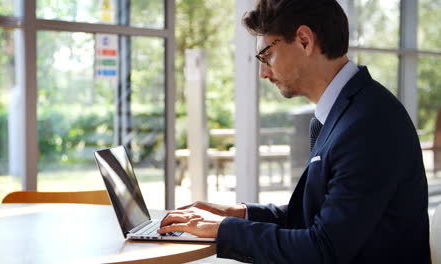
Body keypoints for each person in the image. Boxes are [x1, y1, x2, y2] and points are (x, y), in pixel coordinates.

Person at [158, 0, 431, 263]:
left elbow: (323, 250)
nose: (263, 73)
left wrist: (222, 230)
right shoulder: (345, 112)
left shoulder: (368, 125)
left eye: (266, 56)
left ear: (304, 40)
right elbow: (314, 217)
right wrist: (238, 213)